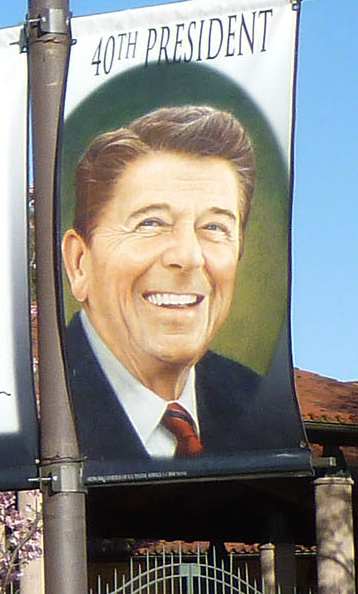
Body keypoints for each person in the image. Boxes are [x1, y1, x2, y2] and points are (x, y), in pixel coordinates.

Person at [56, 104, 294, 472]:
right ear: (79, 262)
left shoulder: (259, 410)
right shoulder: (38, 403)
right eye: (151, 222)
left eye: (214, 227)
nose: (188, 256)